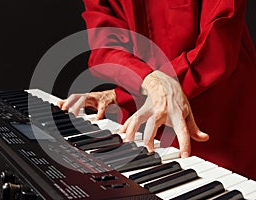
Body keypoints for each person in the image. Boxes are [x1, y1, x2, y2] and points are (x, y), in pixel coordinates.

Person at [58, 0, 256, 180]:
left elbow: (217, 46)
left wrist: (126, 92)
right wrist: (147, 81)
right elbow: (105, 45)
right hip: (146, 123)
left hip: (221, 118)